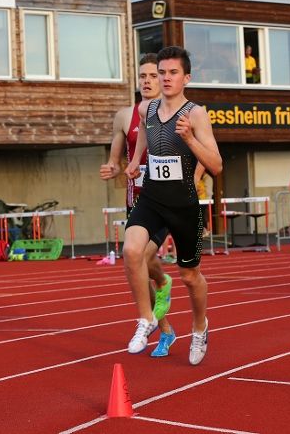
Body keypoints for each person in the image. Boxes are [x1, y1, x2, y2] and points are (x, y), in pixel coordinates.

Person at [124, 46, 222, 365]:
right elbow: (144, 140)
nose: (165, 78)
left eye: (172, 73)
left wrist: (191, 140)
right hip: (152, 198)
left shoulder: (195, 114)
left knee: (190, 276)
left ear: (186, 78)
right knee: (132, 250)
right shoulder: (147, 110)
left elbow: (217, 165)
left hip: (183, 205)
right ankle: (147, 319)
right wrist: (135, 162)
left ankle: (199, 327)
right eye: (161, 72)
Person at [99, 53, 175, 357]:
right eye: (143, 77)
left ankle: (149, 316)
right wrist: (112, 169)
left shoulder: (176, 112)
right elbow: (115, 161)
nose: (147, 81)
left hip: (165, 201)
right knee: (139, 264)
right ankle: (165, 327)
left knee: (138, 257)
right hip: (136, 201)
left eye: (153, 76)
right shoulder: (123, 116)